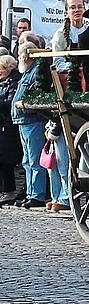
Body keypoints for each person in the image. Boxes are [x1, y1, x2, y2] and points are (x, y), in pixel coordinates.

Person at [11, 40, 48, 208]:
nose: (19, 57)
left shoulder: (35, 72)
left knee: (34, 159)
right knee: (27, 160)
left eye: (20, 54)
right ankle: (31, 192)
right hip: (23, 121)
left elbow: (34, 95)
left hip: (32, 121)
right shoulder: (27, 71)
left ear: (26, 55)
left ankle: (37, 194)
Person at [0, 54, 21, 206]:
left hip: (9, 125)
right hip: (3, 123)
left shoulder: (13, 81)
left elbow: (11, 102)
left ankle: (8, 190)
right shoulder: (4, 81)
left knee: (6, 160)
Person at [51, 0, 88, 74]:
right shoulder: (60, 34)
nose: (77, 10)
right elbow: (58, 64)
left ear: (84, 10)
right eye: (72, 7)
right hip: (70, 78)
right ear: (67, 13)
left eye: (80, 7)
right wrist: (76, 67)